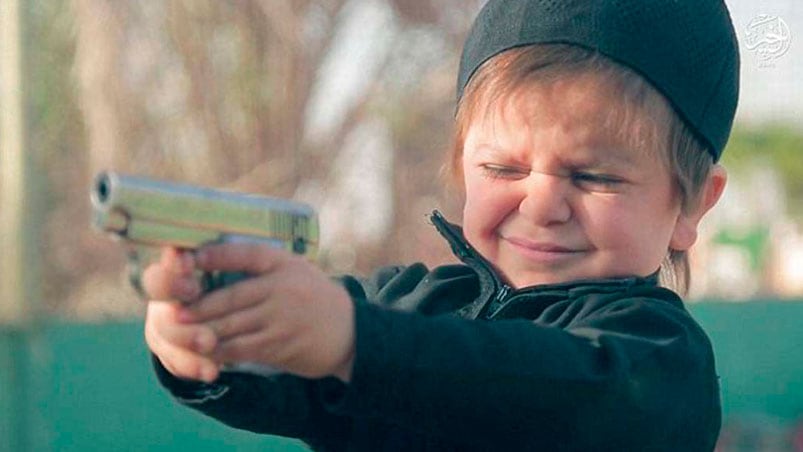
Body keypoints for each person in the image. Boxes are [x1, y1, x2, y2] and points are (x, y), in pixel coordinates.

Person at [140, 0, 739, 450]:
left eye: (594, 178)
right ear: (461, 167)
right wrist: (209, 342)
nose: (540, 205)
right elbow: (293, 378)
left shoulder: (660, 361)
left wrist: (353, 344)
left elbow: (540, 390)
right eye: (503, 167)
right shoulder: (401, 303)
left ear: (689, 208)